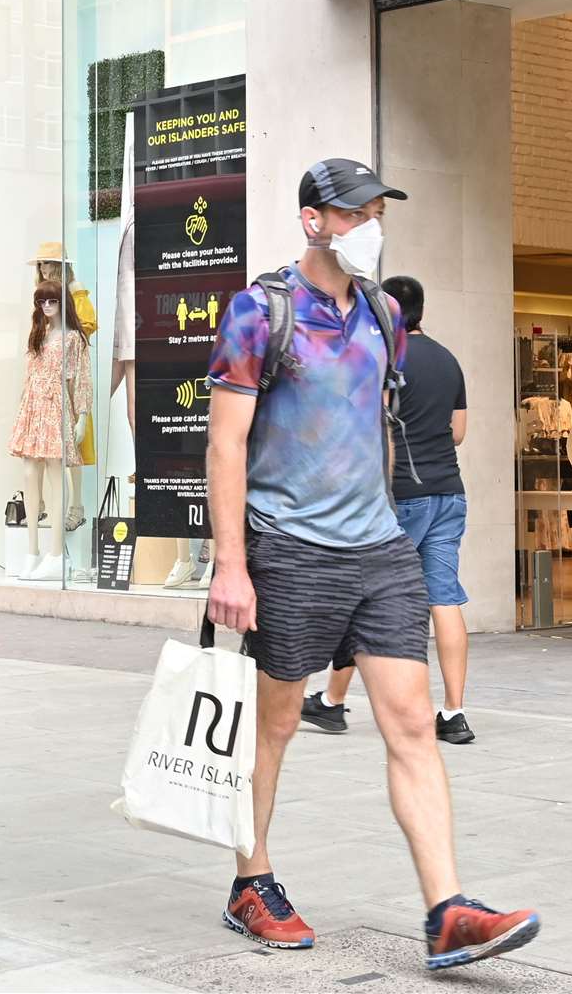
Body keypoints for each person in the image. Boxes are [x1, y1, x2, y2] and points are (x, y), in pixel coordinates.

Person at [204, 159, 538, 970]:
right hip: (288, 547)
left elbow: (378, 424)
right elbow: (225, 443)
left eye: (378, 212)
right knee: (276, 724)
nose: (370, 226)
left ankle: (448, 911)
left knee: (414, 722)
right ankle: (252, 882)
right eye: (355, 213)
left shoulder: (385, 315)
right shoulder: (259, 312)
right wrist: (231, 563)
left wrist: (384, 513)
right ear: (314, 220)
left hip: (380, 550)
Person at [301, 276, 476, 744]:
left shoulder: (383, 356)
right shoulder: (448, 359)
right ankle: (454, 713)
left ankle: (333, 703)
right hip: (449, 491)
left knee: (363, 593)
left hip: (399, 495)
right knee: (445, 597)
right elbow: (457, 432)